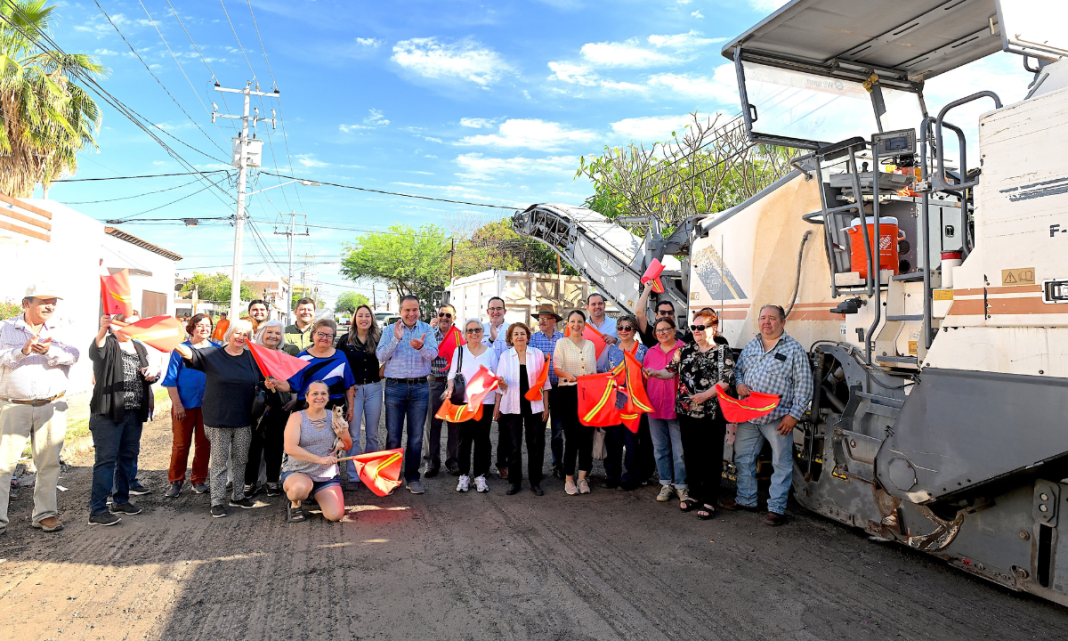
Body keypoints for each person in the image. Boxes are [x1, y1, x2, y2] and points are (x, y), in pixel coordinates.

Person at [723, 304, 813, 526]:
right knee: (743, 457)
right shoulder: (751, 345)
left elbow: (804, 385)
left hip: (778, 417)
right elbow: (738, 370)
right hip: (750, 415)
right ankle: (746, 499)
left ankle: (776, 509)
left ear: (782, 322)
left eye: (772, 318)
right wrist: (740, 384)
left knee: (781, 463)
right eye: (763, 318)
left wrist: (794, 415)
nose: (767, 322)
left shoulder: (794, 349)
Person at [0, 284, 79, 535]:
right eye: (44, 301)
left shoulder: (60, 329)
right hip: (13, 406)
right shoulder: (5, 328)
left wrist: (50, 351)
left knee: (49, 463)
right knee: (3, 465)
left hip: (51, 406)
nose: (50, 306)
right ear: (26, 303)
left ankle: (45, 514)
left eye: (53, 301)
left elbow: (73, 355)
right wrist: (21, 351)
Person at [175, 319, 263, 518]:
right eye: (238, 333)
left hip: (244, 418)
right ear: (229, 334)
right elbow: (189, 353)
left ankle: (238, 496)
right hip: (218, 419)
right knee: (220, 462)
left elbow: (262, 379)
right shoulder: (213, 354)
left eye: (246, 335)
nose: (241, 337)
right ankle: (217, 501)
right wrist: (171, 341)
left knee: (241, 460)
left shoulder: (252, 358)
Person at [87, 313, 157, 526]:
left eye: (134, 324)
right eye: (125, 323)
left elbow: (149, 374)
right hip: (108, 412)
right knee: (106, 460)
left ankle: (121, 500)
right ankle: (98, 510)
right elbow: (95, 350)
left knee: (128, 456)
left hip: (134, 412)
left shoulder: (139, 347)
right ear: (115, 325)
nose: (129, 328)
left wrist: (152, 374)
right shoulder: (107, 343)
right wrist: (103, 328)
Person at [666, 309, 734, 520]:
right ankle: (694, 495)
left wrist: (705, 395)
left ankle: (710, 500)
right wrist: (651, 373)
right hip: (686, 412)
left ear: (713, 328)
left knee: (711, 457)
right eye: (693, 327)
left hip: (712, 413)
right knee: (691, 454)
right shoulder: (684, 350)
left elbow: (727, 380)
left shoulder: (723, 351)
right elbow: (669, 371)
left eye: (700, 327)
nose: (696, 330)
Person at [376, 295, 438, 494]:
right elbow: (380, 355)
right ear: (400, 311)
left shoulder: (427, 329)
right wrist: (396, 339)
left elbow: (433, 355)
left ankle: (412, 477)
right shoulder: (389, 330)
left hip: (420, 388)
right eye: (407, 310)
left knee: (416, 437)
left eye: (415, 310)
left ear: (419, 310)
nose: (411, 314)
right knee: (393, 436)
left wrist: (421, 348)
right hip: (394, 388)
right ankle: (390, 478)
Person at [161, 314, 217, 499]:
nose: (204, 328)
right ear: (192, 328)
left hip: (208, 406)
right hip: (184, 405)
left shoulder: (217, 351)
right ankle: (176, 480)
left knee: (204, 444)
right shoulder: (180, 350)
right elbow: (171, 380)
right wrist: (177, 404)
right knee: (180, 445)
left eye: (208, 325)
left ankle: (199, 479)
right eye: (200, 325)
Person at [494, 322, 551, 496]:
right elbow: (499, 385)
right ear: (511, 338)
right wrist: (497, 406)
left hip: (534, 405)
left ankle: (535, 482)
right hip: (511, 406)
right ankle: (515, 482)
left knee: (536, 445)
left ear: (527, 337)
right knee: (513, 445)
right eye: (516, 334)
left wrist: (546, 407)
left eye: (522, 333)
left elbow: (544, 382)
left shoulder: (537, 354)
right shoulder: (505, 356)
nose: (519, 337)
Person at [280, 380, 348, 523]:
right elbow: (290, 448)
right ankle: (295, 503)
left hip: (326, 475)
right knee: (299, 489)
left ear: (328, 397)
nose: (319, 397)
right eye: (315, 393)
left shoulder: (335, 416)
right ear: (307, 397)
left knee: (335, 515)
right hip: (299, 471)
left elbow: (347, 446)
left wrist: (343, 434)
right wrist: (320, 460)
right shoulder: (297, 417)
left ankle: (315, 493)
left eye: (323, 393)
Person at [445, 319, 499, 494]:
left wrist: (498, 403)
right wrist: (450, 387)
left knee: (482, 440)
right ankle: (463, 475)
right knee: (463, 440)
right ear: (464, 334)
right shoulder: (459, 351)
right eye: (470, 330)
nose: (474, 333)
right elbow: (452, 373)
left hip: (485, 402)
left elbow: (496, 378)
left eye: (477, 330)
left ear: (482, 332)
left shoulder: (490, 353)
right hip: (464, 402)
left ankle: (480, 476)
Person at [596, 314, 647, 490]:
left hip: (634, 405)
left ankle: (631, 477)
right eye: (620, 328)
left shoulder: (643, 350)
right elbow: (606, 373)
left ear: (634, 330)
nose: (623, 331)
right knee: (613, 441)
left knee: (632, 443)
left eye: (627, 328)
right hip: (615, 403)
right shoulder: (612, 350)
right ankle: (612, 475)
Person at [642, 317, 688, 505]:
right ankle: (666, 483)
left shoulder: (684, 350)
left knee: (680, 451)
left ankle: (682, 485)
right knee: (660, 449)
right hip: (654, 406)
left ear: (674, 329)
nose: (662, 333)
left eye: (665, 329)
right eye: (658, 330)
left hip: (676, 407)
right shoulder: (651, 352)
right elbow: (644, 379)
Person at [336, 305, 382, 490]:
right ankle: (353, 475)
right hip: (353, 391)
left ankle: (370, 473)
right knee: (354, 434)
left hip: (374, 389)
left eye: (367, 315)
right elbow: (339, 364)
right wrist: (347, 384)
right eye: (360, 315)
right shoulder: (345, 340)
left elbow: (390, 357)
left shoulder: (378, 338)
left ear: (372, 319)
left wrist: (382, 372)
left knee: (372, 435)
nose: (364, 319)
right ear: (354, 318)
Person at [244, 320, 292, 497]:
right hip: (254, 406)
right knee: (253, 445)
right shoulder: (250, 354)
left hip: (278, 406)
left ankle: (272, 481)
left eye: (277, 333)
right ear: (262, 333)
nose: (273, 336)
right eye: (269, 332)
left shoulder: (284, 356)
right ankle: (249, 482)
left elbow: (290, 382)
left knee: (275, 444)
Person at [553, 310, 598, 495]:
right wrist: (568, 375)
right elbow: (557, 368)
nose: (576, 324)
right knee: (571, 438)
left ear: (584, 325)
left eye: (580, 321)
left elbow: (593, 371)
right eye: (573, 321)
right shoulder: (562, 343)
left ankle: (583, 477)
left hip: (588, 393)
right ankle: (569, 478)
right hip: (568, 392)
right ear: (568, 324)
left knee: (587, 437)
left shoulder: (590, 345)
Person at [272, 319, 355, 412]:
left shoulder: (341, 356)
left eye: (329, 335)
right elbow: (292, 385)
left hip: (334, 408)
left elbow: (349, 385)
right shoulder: (302, 357)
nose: (324, 338)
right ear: (313, 335)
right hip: (307, 407)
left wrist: (351, 408)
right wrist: (276, 383)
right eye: (320, 334)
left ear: (333, 338)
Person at [528, 304, 564, 479]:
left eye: (545, 319)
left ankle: (558, 465)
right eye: (539, 319)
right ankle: (538, 468)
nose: (541, 322)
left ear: (553, 320)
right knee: (538, 430)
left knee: (557, 431)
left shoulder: (563, 339)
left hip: (559, 389)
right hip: (540, 390)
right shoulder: (533, 340)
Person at [425, 304, 460, 477]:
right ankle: (432, 462)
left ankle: (453, 461)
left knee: (455, 425)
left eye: (448, 315)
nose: (444, 318)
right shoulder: (429, 335)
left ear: (454, 318)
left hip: (456, 385)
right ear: (437, 316)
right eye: (441, 314)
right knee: (433, 425)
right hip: (435, 383)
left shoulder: (460, 336)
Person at [482, 296, 511, 479]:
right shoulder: (480, 328)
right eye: (492, 308)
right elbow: (477, 352)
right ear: (487, 311)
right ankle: (483, 465)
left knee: (505, 429)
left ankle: (503, 464)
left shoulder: (512, 329)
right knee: (483, 428)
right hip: (486, 385)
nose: (495, 312)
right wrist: (491, 340)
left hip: (507, 384)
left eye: (499, 308)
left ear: (504, 311)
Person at [636, 281, 691, 347]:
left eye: (670, 313)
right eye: (663, 313)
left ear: (673, 315)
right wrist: (647, 289)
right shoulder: (650, 332)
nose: (667, 315)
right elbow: (639, 312)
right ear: (656, 315)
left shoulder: (678, 334)